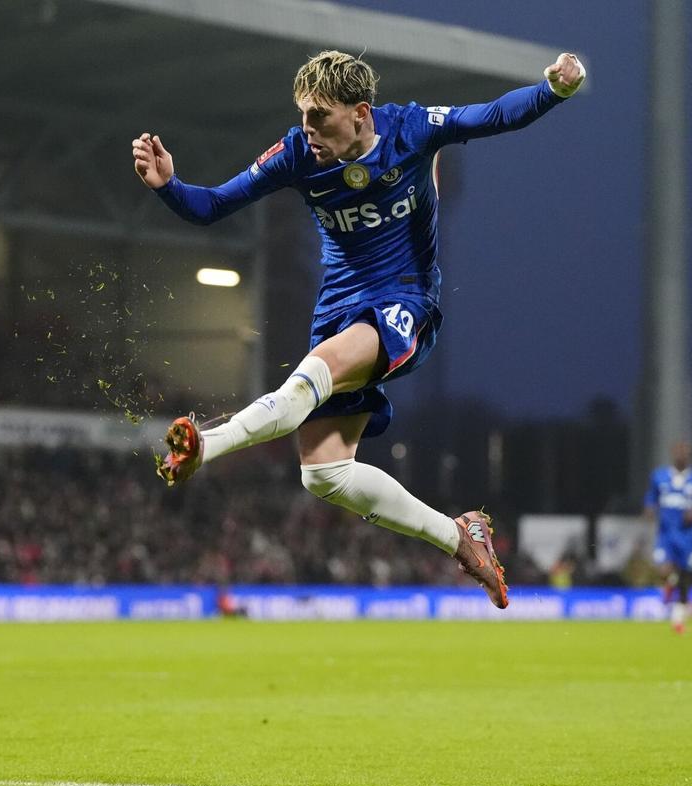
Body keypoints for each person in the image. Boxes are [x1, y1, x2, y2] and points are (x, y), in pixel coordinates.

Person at [132, 50, 587, 608]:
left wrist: (552, 90)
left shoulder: (411, 129)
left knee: (305, 384)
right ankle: (460, 538)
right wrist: (168, 185)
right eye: (303, 114)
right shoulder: (297, 154)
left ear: (360, 113)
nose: (307, 128)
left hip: (403, 301)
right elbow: (212, 206)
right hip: (337, 309)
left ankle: (207, 445)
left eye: (319, 115)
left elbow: (492, 115)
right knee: (324, 475)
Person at [644, 440, 692, 634]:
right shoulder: (660, 476)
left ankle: (678, 621)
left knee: (686, 577)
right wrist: (650, 508)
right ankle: (669, 584)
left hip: (689, 536)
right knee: (663, 570)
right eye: (678, 451)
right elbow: (651, 496)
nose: (681, 455)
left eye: (684, 452)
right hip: (667, 534)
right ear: (672, 453)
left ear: (689, 455)